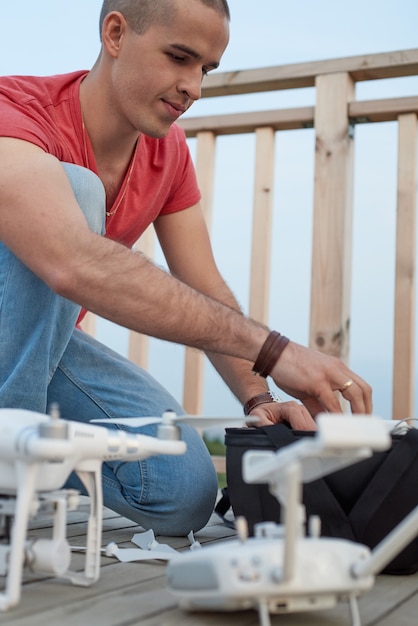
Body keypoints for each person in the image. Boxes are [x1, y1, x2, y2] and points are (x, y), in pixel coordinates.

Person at [0, 0, 372, 535]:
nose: (194, 87)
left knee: (180, 490)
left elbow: (204, 286)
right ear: (115, 33)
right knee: (76, 189)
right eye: (179, 57)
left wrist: (260, 395)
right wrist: (276, 350)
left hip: (34, 356)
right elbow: (71, 261)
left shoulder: (168, 151)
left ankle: (29, 466)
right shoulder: (17, 112)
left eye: (206, 70)